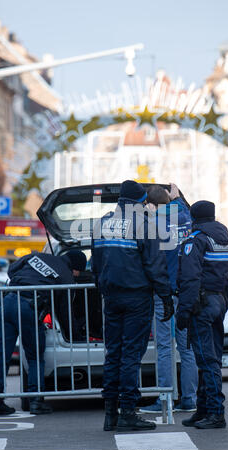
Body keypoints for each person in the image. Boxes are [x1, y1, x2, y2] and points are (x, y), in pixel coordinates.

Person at [91, 180, 174, 432]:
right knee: (130, 354)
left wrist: (102, 288)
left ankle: (110, 415)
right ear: (139, 202)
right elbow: (155, 266)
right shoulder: (145, 224)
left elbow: (95, 264)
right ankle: (127, 411)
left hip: (111, 298)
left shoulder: (102, 223)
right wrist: (166, 297)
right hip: (137, 298)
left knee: (113, 353)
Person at [0, 249, 87, 416]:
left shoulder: (37, 256)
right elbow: (65, 313)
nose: (78, 276)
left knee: (2, 355)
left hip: (9, 301)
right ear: (75, 268)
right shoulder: (66, 277)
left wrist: (24, 280)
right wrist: (76, 336)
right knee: (34, 357)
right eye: (79, 272)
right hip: (29, 307)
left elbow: (12, 270)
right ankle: (36, 402)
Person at [139, 183, 198, 414]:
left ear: (151, 205)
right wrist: (177, 198)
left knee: (164, 346)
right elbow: (183, 209)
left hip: (164, 293)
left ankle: (165, 399)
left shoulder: (152, 224)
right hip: (185, 292)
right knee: (187, 347)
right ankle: (190, 399)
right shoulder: (185, 215)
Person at [176, 200, 228, 429]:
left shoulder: (196, 240)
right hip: (217, 301)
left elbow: (190, 279)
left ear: (194, 217)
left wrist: (183, 312)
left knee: (207, 361)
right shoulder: (223, 240)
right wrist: (222, 304)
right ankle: (202, 410)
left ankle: (216, 413)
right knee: (210, 359)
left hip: (200, 305)